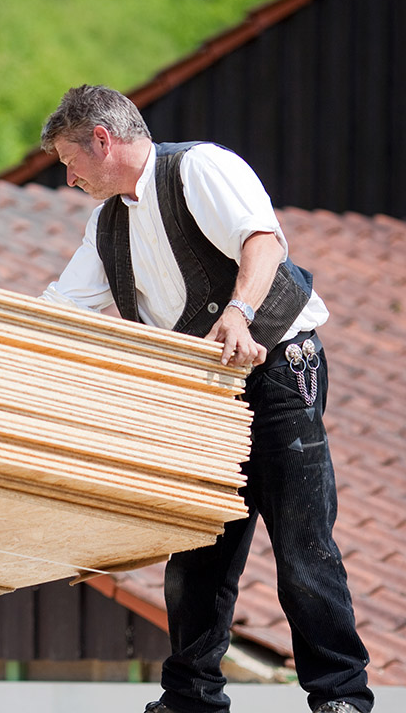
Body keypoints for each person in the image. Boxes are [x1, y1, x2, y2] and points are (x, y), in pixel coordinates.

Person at [39, 85, 373, 713]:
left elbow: (265, 242)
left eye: (68, 159)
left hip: (279, 375)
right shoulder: (108, 222)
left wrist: (241, 312)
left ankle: (341, 698)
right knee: (197, 554)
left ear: (102, 140)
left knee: (303, 551)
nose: (68, 176)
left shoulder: (199, 167)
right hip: (204, 397)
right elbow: (63, 309)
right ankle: (191, 700)